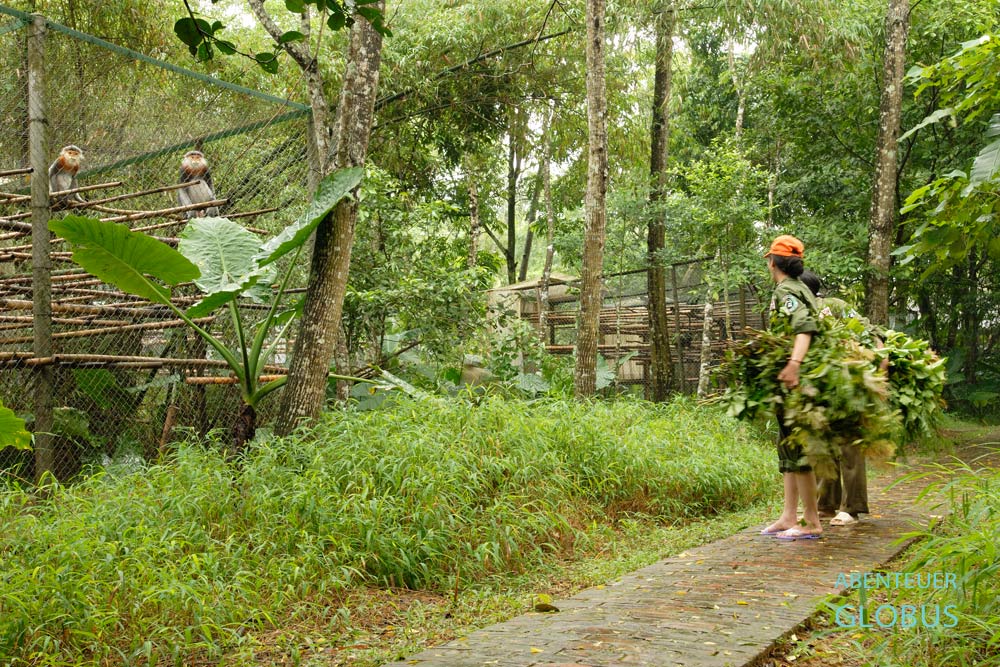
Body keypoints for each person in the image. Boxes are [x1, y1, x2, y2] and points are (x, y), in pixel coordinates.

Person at [799, 271, 874, 527]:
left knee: (848, 445)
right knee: (821, 445)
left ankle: (851, 507)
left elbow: (867, 330)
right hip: (817, 385)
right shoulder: (797, 311)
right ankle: (826, 505)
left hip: (846, 382)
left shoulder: (836, 306)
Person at [761, 235, 823, 540]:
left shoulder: (787, 290)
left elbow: (804, 327)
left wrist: (794, 364)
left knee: (798, 450)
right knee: (787, 448)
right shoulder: (800, 287)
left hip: (797, 379)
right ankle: (788, 516)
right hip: (791, 380)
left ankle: (811, 521)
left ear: (772, 262)